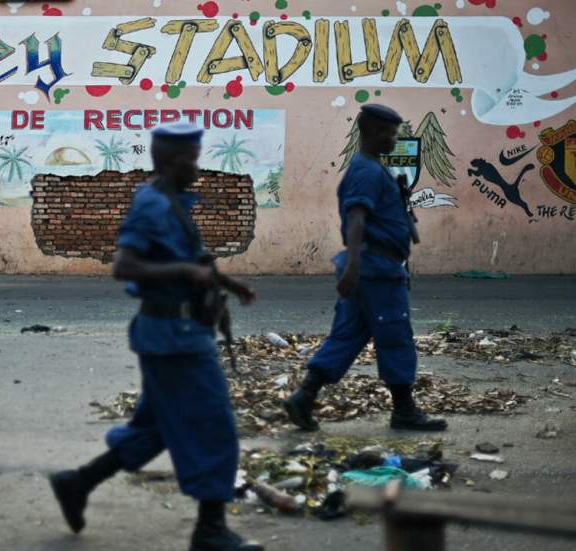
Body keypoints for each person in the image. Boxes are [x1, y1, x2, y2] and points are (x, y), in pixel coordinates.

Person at [49, 122, 263, 551]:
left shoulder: (172, 201)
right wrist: (188, 273)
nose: (198, 169)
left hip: (176, 334)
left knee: (159, 427)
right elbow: (124, 266)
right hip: (174, 337)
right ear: (168, 159)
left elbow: (191, 258)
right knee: (213, 424)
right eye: (191, 159)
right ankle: (210, 531)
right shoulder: (152, 204)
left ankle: (78, 483)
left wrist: (226, 281)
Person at [283, 104, 447, 433]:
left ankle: (304, 396)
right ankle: (404, 411)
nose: (393, 139)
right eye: (389, 132)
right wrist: (354, 266)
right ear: (371, 132)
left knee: (348, 334)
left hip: (372, 267)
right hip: (375, 269)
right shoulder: (367, 171)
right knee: (396, 334)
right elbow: (357, 217)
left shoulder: (372, 167)